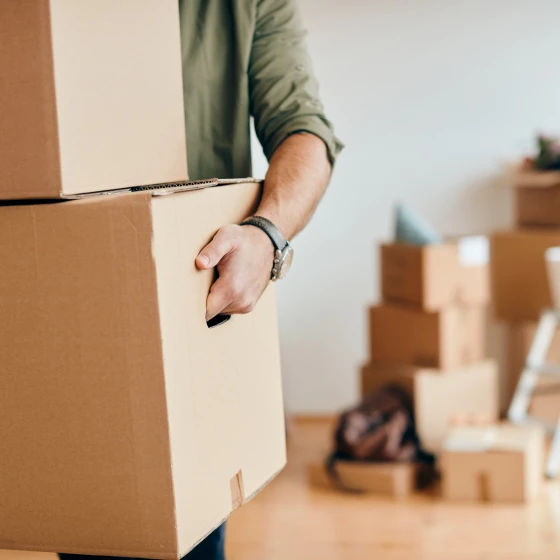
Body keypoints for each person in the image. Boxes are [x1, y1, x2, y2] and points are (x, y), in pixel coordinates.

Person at [59, 0, 341, 559]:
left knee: (188, 538)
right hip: (63, 300)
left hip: (190, 313)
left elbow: (306, 132)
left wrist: (267, 235)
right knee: (76, 529)